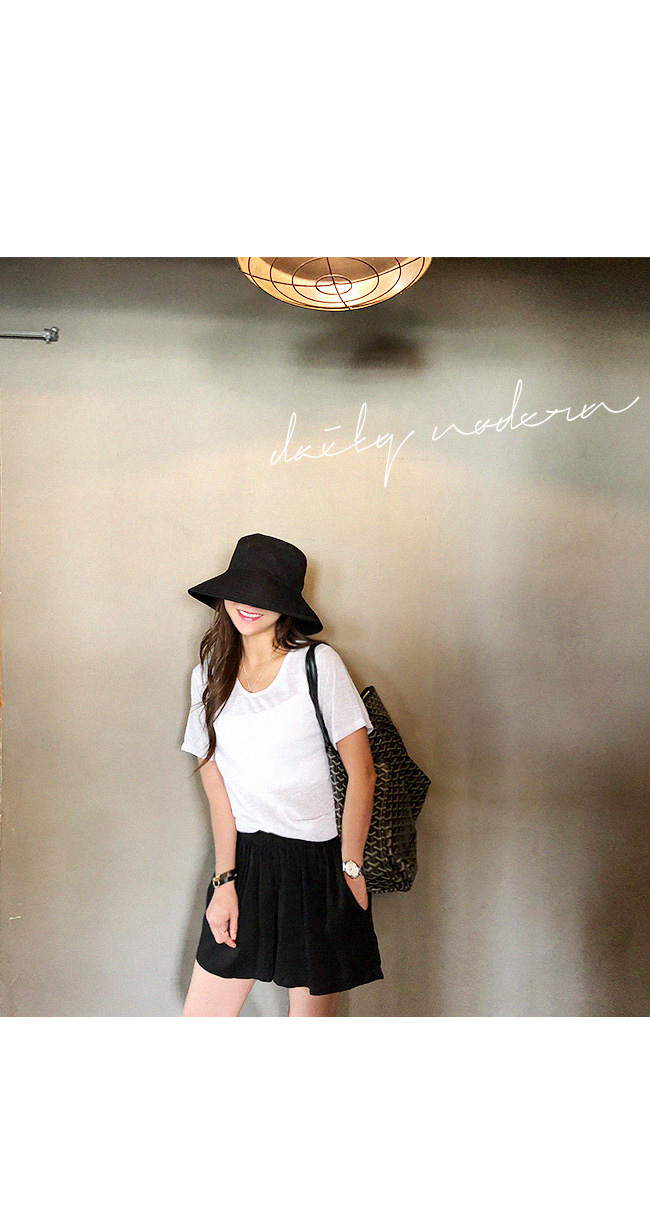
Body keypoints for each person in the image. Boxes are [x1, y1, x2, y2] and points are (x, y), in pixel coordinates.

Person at [180, 532, 384, 1017]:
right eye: (241, 590)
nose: (249, 604)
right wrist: (224, 880)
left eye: (266, 594)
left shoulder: (317, 664)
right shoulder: (208, 672)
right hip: (246, 861)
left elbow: (363, 772)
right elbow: (213, 780)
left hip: (317, 866)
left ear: (287, 604)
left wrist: (351, 867)